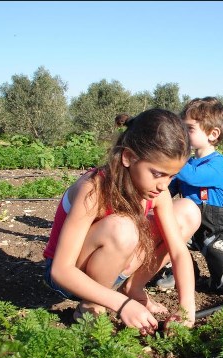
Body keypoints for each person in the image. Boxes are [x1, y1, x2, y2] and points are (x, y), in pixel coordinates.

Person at [43, 109, 202, 334]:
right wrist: (121, 305)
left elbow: (178, 252)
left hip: (114, 265)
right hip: (70, 276)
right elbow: (61, 270)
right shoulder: (95, 189)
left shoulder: (158, 193)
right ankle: (92, 304)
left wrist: (187, 306)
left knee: (188, 211)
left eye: (172, 176)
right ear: (128, 157)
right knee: (122, 228)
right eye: (157, 174)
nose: (164, 185)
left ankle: (133, 289)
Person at [162, 97, 223, 296]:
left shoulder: (217, 163)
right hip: (190, 222)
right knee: (165, 236)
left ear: (213, 134)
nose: (183, 134)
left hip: (215, 224)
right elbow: (170, 188)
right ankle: (183, 271)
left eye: (189, 129)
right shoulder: (188, 164)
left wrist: (171, 156)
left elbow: (193, 177)